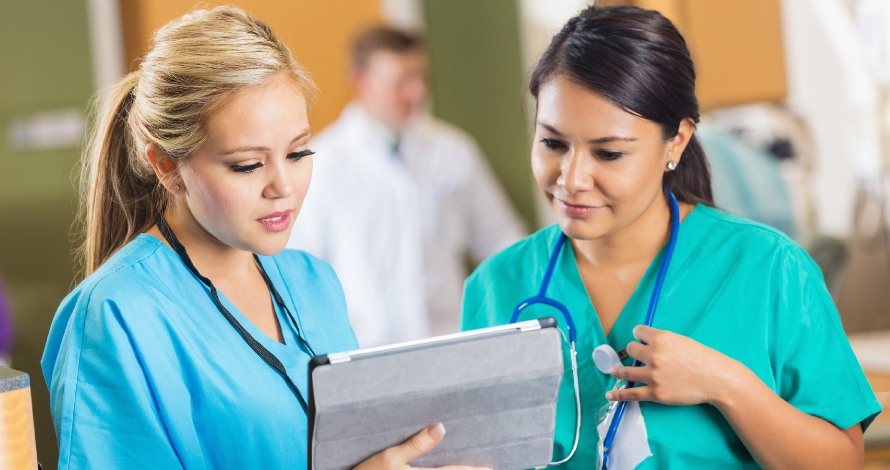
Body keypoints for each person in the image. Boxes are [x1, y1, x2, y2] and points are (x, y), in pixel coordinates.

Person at [40, 7, 485, 469]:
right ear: (168, 167)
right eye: (247, 165)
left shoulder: (315, 282)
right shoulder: (115, 316)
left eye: (298, 152)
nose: (283, 187)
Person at [461, 5, 882, 468]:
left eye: (609, 153)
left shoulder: (769, 269)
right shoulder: (495, 286)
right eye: (553, 143)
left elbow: (842, 462)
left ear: (676, 142)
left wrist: (724, 383)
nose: (572, 178)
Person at [288, 26, 525, 347]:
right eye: (401, 82)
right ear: (362, 83)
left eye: (420, 78)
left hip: (448, 340)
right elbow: (301, 272)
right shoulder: (322, 165)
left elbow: (503, 241)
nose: (416, 92)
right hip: (363, 350)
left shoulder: (453, 151)